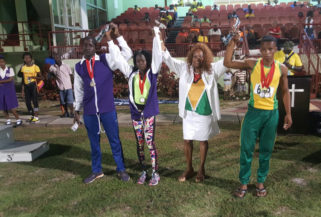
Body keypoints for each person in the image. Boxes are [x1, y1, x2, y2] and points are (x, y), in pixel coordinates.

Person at [224, 35, 292, 198]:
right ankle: (244, 182)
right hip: (253, 113)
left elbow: (284, 92)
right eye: (264, 49)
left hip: (271, 114)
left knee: (266, 150)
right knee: (246, 149)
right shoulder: (252, 63)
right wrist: (233, 42)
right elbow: (228, 63)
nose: (267, 52)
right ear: (260, 50)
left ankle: (260, 182)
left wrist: (288, 113)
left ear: (276, 50)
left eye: (270, 49)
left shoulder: (281, 68)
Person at [161, 41, 228, 183]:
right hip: (188, 112)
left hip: (204, 112)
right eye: (195, 56)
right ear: (191, 57)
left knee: (203, 140)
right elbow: (169, 60)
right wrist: (161, 43)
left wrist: (233, 42)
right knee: (187, 139)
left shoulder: (212, 70)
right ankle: (189, 168)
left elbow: (227, 60)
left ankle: (201, 169)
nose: (197, 59)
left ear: (205, 59)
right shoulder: (185, 69)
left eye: (200, 57)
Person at [73, 24, 130, 184]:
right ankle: (97, 171)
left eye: (90, 45)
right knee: (93, 143)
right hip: (90, 111)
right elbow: (78, 89)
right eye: (85, 45)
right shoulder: (78, 67)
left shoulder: (106, 60)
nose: (87, 48)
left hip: (107, 109)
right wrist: (76, 109)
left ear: (96, 47)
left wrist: (118, 37)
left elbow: (127, 54)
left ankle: (121, 169)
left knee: (114, 140)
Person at [109, 27, 163, 186]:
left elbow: (158, 56)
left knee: (149, 143)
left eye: (142, 60)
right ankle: (143, 171)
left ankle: (155, 173)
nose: (140, 63)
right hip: (136, 115)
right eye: (137, 61)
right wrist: (114, 39)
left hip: (149, 114)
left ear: (147, 61)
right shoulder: (131, 73)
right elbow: (118, 60)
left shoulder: (152, 73)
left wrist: (155, 35)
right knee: (139, 144)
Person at [49, 53, 74, 118]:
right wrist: (54, 79)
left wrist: (73, 84)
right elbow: (50, 75)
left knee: (70, 101)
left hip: (68, 86)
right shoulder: (52, 68)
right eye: (54, 58)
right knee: (63, 102)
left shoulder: (66, 66)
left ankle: (71, 113)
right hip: (60, 87)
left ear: (60, 58)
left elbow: (71, 75)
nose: (56, 59)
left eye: (57, 57)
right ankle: (66, 113)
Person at [19, 52, 41, 123]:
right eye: (25, 58)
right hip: (26, 86)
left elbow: (42, 77)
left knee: (35, 101)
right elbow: (22, 78)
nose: (27, 59)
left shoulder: (35, 67)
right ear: (24, 59)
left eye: (28, 58)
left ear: (31, 59)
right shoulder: (23, 67)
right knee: (27, 102)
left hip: (33, 85)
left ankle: (36, 117)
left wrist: (34, 77)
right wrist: (22, 90)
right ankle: (32, 115)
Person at [0, 55, 22, 126]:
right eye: (0, 62)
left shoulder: (10, 69)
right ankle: (8, 120)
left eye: (2, 62)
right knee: (3, 106)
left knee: (11, 106)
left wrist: (1, 82)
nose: (1, 63)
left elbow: (10, 79)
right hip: (1, 90)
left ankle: (18, 119)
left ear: (5, 62)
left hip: (9, 90)